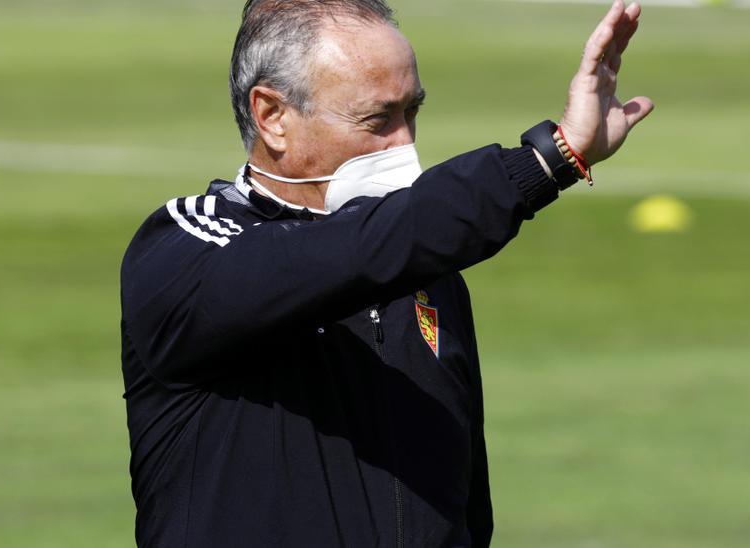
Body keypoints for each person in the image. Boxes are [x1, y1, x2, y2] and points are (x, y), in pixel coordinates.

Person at [119, 0, 653, 545]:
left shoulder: (428, 277)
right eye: (378, 119)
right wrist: (548, 159)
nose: (405, 144)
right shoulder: (185, 253)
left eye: (411, 112)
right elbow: (348, 253)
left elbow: (465, 507)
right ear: (272, 116)